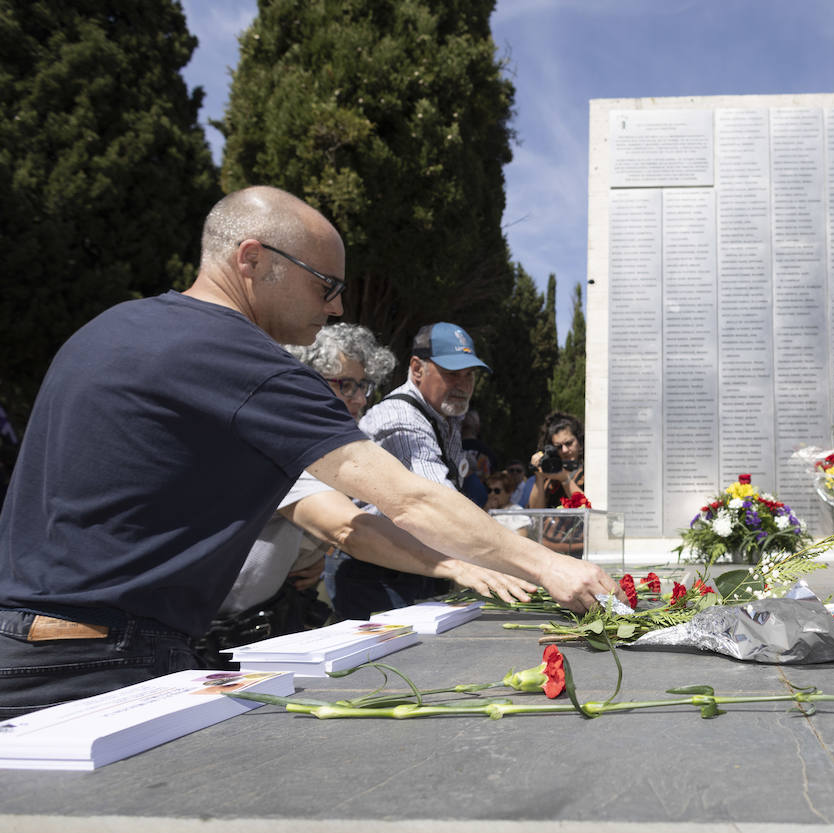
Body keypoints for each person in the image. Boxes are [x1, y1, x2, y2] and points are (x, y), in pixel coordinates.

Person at [0, 186, 615, 718]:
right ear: (252, 260)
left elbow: (336, 515)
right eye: (325, 285)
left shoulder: (109, 328)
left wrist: (455, 565)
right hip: (103, 659)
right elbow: (406, 497)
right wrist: (548, 567)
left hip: (24, 644)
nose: (337, 307)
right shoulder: (244, 363)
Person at [203, 325, 532, 653]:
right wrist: (463, 566)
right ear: (302, 381)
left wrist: (312, 554)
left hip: (260, 621)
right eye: (346, 386)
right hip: (207, 633)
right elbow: (351, 529)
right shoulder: (280, 442)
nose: (360, 400)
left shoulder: (331, 445)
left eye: (364, 386)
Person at [329, 322, 496, 616]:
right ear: (417, 369)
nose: (463, 384)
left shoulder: (446, 415)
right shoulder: (401, 419)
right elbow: (437, 506)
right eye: (451, 373)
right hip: (377, 574)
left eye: (469, 374)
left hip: (420, 565)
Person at [527, 412, 588, 556]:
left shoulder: (589, 471)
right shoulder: (550, 474)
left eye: (569, 443)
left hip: (580, 550)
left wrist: (565, 479)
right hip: (549, 551)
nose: (565, 450)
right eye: (558, 447)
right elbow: (536, 513)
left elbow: (586, 509)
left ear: (579, 441)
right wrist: (539, 477)